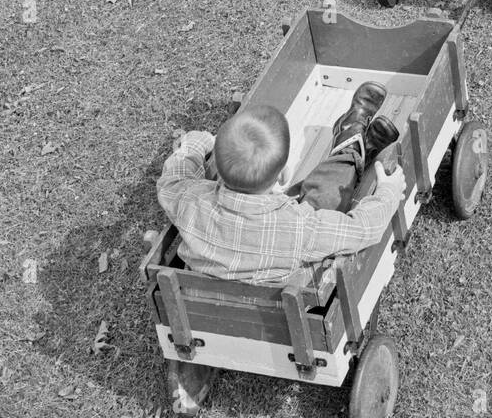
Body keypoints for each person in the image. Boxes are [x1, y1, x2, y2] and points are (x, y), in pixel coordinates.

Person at [156, 91, 406, 287]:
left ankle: (354, 145)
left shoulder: (190, 201)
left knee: (312, 201)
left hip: (206, 308)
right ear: (285, 173)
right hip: (284, 302)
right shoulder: (299, 227)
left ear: (218, 170)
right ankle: (349, 151)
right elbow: (363, 229)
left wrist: (196, 142)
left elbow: (173, 176)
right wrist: (388, 192)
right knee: (327, 195)